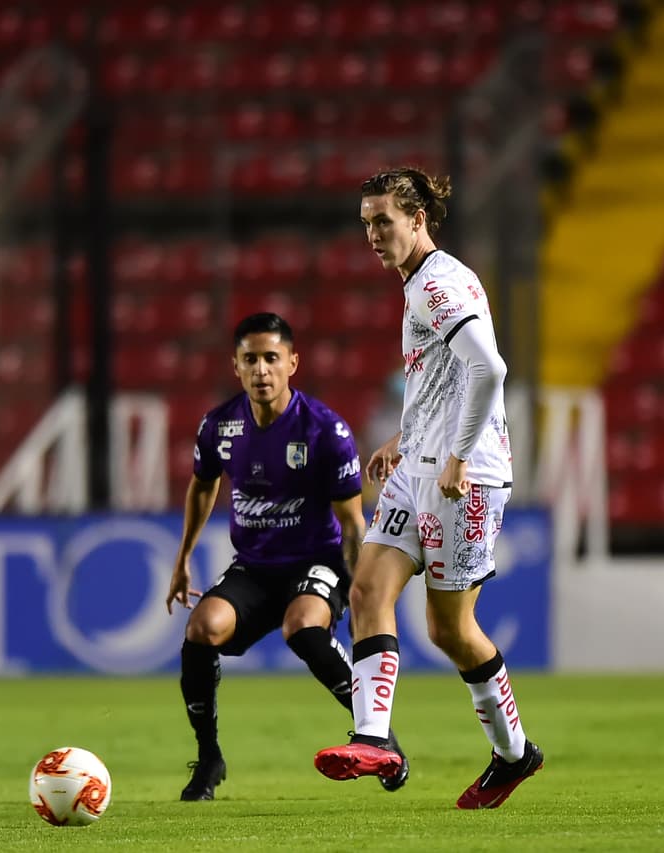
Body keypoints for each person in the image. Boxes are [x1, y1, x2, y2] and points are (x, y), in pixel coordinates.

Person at [312, 168, 543, 809]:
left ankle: (515, 753)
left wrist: (457, 456)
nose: (373, 234)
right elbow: (441, 377)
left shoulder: (438, 282)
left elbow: (488, 368)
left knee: (450, 630)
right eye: (366, 223)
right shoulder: (420, 283)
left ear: (418, 220)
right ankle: (374, 738)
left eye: (383, 221)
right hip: (421, 466)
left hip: (462, 480)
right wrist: (407, 439)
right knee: (366, 588)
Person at [165, 312, 408, 801]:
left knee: (302, 626)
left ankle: (377, 733)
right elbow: (202, 486)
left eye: (271, 358)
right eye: (250, 359)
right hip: (254, 568)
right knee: (202, 629)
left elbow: (352, 520)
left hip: (315, 562)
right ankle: (209, 757)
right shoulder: (220, 425)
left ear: (292, 363)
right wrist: (183, 556)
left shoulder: (325, 431)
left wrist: (360, 587)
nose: (261, 370)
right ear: (235, 365)